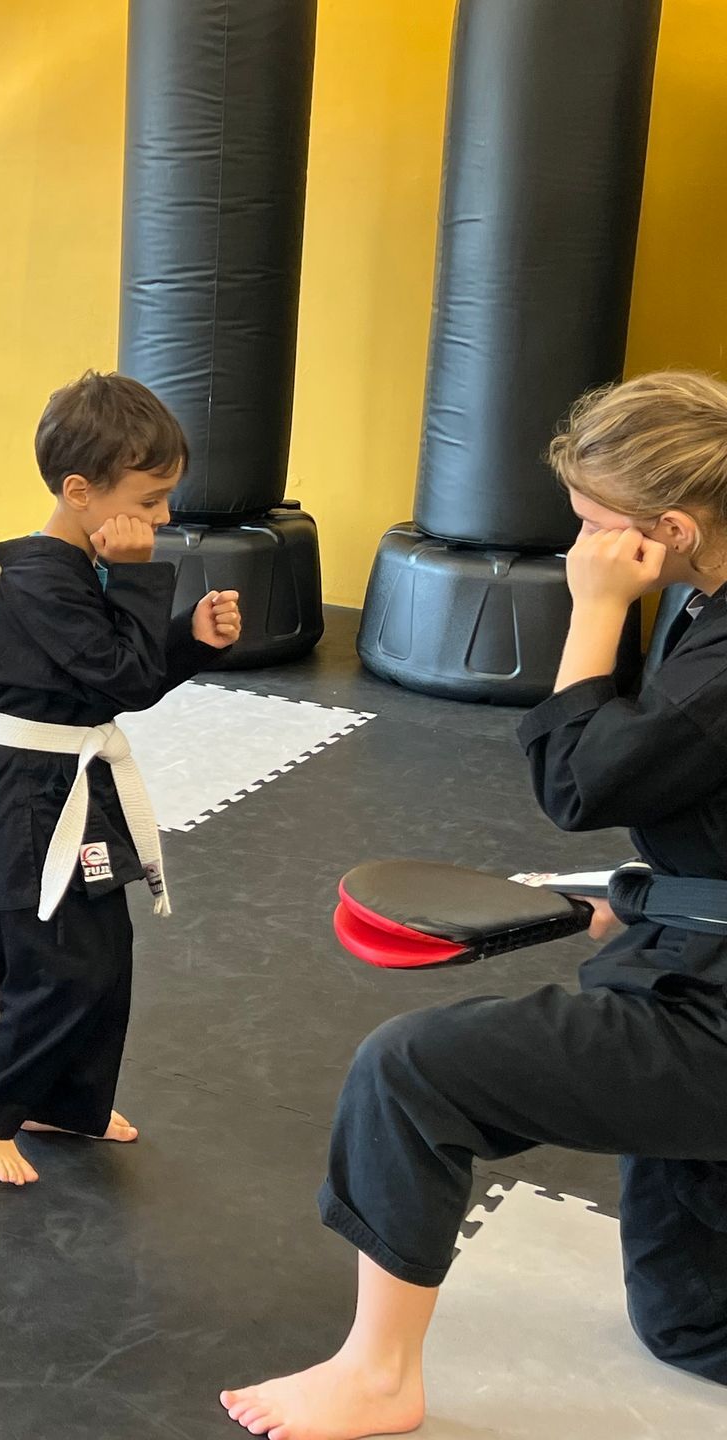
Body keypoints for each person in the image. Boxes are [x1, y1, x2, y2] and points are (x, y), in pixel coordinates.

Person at [223, 370, 727, 1439]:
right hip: (699, 937)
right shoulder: (710, 591)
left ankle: (378, 1376)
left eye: (594, 527)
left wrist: (594, 608)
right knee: (691, 1322)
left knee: (413, 1074)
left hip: (716, 1011)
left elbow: (577, 784)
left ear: (671, 529)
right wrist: (642, 902)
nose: (583, 545)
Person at [0, 371, 240, 1186]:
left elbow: (114, 676)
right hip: (27, 801)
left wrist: (188, 639)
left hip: (73, 781)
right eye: (150, 500)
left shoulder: (85, 565)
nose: (164, 518)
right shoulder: (41, 577)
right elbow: (121, 678)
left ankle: (65, 1101)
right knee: (59, 967)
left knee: (105, 959)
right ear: (80, 492)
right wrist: (144, 585)